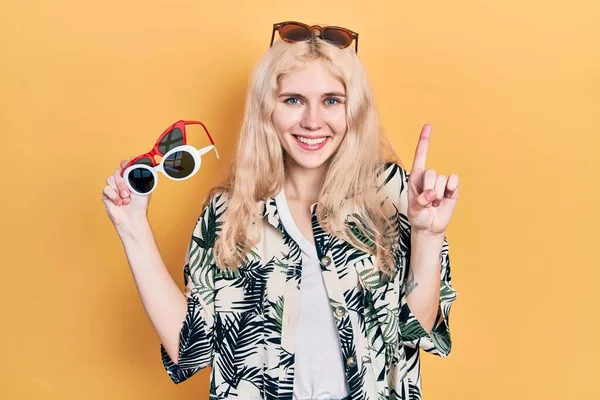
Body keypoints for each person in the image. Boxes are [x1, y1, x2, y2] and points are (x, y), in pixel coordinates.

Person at [102, 21, 459, 400]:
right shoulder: (228, 212)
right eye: (293, 100)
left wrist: (428, 236)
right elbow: (188, 348)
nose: (312, 121)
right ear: (266, 109)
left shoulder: (392, 193)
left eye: (331, 100)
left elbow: (415, 332)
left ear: (354, 110)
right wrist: (132, 227)